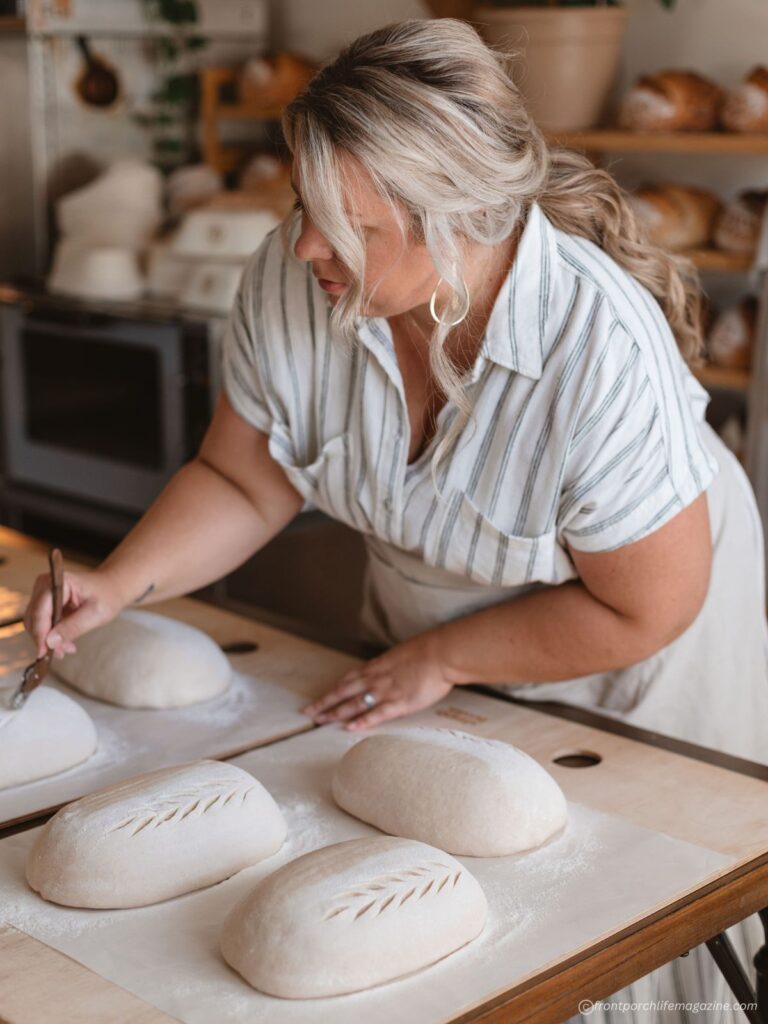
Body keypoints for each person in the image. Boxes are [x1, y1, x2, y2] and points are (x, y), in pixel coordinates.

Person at [24, 19, 767, 1023]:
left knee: (598, 906)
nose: (305, 245)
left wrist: (445, 655)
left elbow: (647, 610)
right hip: (440, 622)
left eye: (349, 223)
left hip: (634, 641)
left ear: (462, 217)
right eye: (302, 200)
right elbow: (244, 480)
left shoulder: (595, 351)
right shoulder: (297, 279)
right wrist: (121, 581)